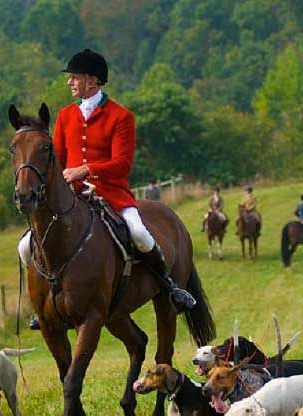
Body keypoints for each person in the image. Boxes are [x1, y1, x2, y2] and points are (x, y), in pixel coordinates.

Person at [19, 48, 195, 329]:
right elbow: (60, 159)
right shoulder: (65, 116)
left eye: (74, 78)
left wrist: (87, 169)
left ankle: (171, 286)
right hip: (72, 198)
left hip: (111, 195)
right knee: (24, 247)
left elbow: (122, 164)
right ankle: (43, 305)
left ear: (92, 80)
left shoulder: (121, 116)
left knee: (140, 234)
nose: (70, 83)